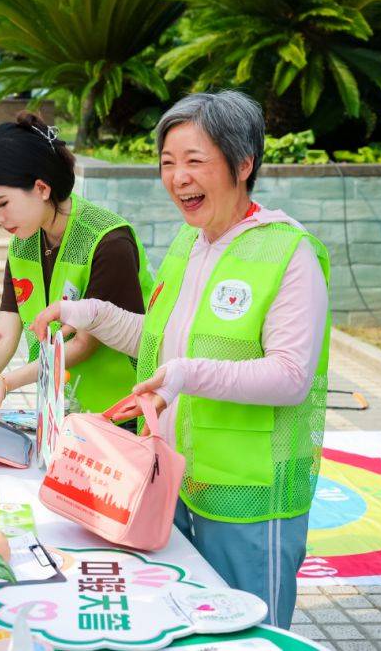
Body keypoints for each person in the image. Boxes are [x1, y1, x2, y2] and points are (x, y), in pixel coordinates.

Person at [31, 91, 330, 629]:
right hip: (180, 483)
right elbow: (163, 343)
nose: (178, 178)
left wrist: (188, 375)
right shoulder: (191, 242)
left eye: (195, 161)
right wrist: (90, 312)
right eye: (168, 163)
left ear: (243, 164)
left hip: (252, 499)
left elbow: (290, 376)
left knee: (248, 635)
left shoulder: (289, 252)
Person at [0, 112, 153, 419]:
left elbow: (84, 344)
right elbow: (3, 335)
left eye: (3, 203)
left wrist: (7, 381)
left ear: (42, 189)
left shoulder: (109, 241)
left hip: (121, 416)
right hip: (60, 414)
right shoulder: (23, 242)